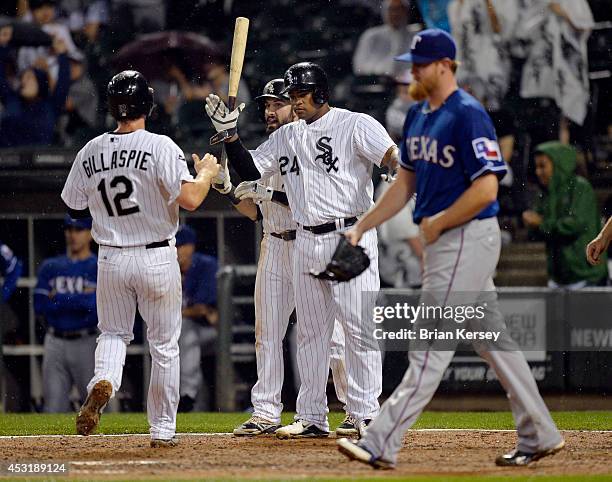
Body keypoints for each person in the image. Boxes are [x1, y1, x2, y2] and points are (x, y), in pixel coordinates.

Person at [336, 29, 564, 468]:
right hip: (447, 242)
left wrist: (438, 222)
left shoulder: (467, 113)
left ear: (444, 65)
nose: (412, 71)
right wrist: (363, 225)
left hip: (466, 237)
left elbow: (486, 189)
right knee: (492, 340)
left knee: (427, 348)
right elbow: (404, 184)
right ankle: (540, 433)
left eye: (419, 64)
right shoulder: (418, 116)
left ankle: (381, 442)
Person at [206, 62, 399, 438]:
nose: (295, 103)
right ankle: (311, 415)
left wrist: (394, 165)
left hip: (349, 234)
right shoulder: (287, 135)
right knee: (311, 333)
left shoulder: (354, 123)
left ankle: (366, 413)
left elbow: (390, 154)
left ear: (320, 93)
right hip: (306, 238)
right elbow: (250, 170)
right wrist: (229, 136)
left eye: (300, 95)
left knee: (358, 328)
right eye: (292, 96)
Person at [61, 70, 221, 447]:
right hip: (155, 256)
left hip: (111, 257)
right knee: (164, 345)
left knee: (113, 333)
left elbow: (73, 205)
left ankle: (104, 380)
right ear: (146, 103)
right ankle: (162, 429)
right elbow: (192, 200)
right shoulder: (161, 145)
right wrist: (207, 174)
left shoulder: (91, 149)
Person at [217, 79, 354, 436]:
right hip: (275, 244)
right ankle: (266, 411)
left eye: (276, 104)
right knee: (267, 333)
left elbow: (310, 203)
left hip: (311, 241)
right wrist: (228, 187)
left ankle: (354, 408)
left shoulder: (309, 140)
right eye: (265, 106)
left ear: (294, 105)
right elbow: (255, 210)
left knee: (334, 336)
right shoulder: (271, 146)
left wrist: (268, 192)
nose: (268, 112)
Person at [33, 215, 97, 413]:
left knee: (97, 406)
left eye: (79, 230)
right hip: (55, 341)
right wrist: (79, 298)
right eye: (69, 229)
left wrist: (59, 297)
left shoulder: (98, 266)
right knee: (52, 407)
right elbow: (40, 305)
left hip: (87, 339)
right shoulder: (51, 266)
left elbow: (94, 307)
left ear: (91, 234)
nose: (73, 235)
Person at [522, 141, 607, 288]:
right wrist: (532, 225)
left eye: (543, 166)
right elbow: (539, 231)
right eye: (536, 167)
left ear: (559, 164)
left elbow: (575, 224)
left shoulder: (580, 186)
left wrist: (540, 223)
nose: (538, 172)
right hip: (558, 277)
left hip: (586, 275)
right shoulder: (545, 193)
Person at [0, 26, 71, 147]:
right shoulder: (11, 99)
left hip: (41, 163)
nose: (24, 81)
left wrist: (62, 55)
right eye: (22, 78)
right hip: (7, 162)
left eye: (29, 78)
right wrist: (4, 46)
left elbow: (63, 83)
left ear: (40, 83)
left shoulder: (51, 105)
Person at [175, 225, 219, 412]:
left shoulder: (205, 265)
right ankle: (188, 398)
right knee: (184, 337)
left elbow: (202, 309)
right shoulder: (167, 268)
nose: (175, 251)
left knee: (186, 332)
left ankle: (187, 395)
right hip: (179, 332)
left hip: (210, 332)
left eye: (179, 246)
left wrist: (176, 313)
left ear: (190, 246)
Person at [353, 0, 420, 77]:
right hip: (376, 83)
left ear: (407, 12)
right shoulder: (371, 36)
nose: (396, 14)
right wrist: (384, 71)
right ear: (385, 12)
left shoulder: (416, 38)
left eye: (400, 9)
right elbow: (359, 66)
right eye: (392, 9)